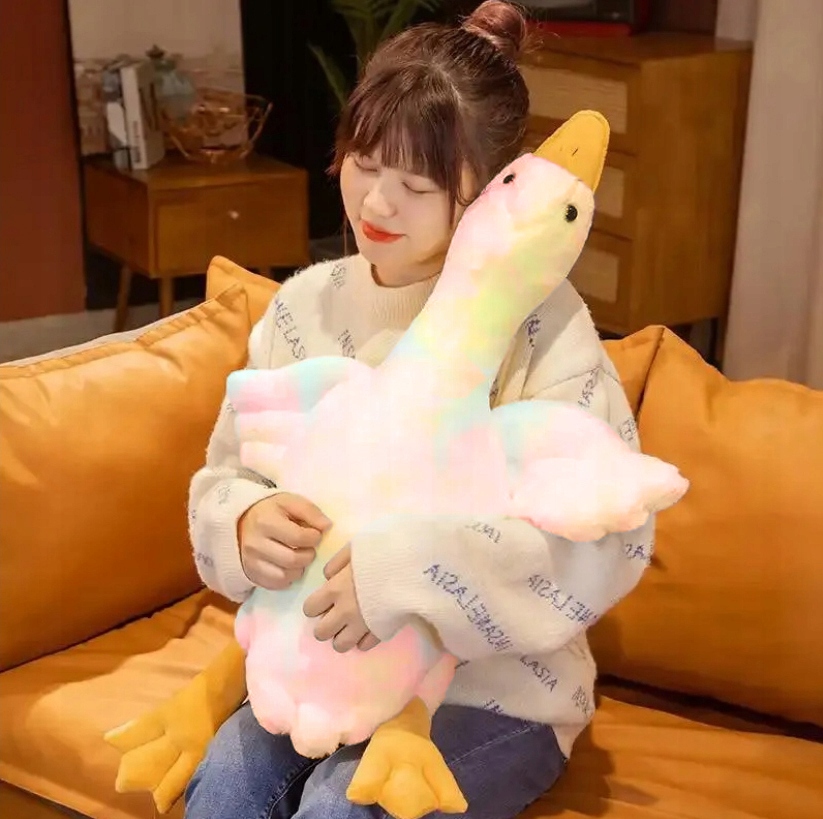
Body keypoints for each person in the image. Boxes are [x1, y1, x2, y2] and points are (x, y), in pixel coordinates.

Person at [185, 2, 653, 818]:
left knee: (343, 806)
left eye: (417, 185)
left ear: (486, 190)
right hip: (322, 670)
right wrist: (242, 523)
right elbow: (227, 473)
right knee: (224, 784)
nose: (377, 204)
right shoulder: (304, 307)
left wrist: (410, 574)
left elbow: (609, 539)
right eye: (364, 163)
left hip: (497, 694)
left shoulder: (539, 323)